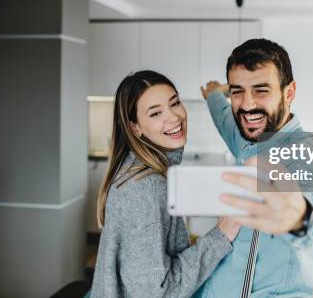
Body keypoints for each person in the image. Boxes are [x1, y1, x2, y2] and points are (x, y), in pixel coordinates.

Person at [196, 38, 313, 297]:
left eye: (261, 90)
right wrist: (214, 93)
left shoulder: (304, 150)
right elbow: (221, 112)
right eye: (237, 91)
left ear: (288, 93)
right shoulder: (244, 136)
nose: (247, 105)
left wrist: (297, 215)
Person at [89, 70, 240, 298]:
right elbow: (156, 293)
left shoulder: (140, 170)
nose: (174, 117)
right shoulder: (146, 188)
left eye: (175, 103)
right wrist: (219, 236)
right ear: (135, 127)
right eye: (155, 113)